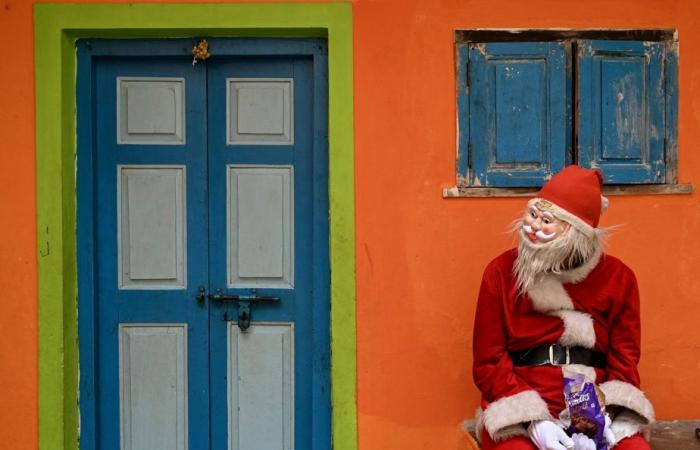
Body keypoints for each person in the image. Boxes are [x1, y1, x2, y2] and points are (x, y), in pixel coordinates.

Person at [472, 166, 655, 450]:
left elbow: (625, 360)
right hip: (520, 403)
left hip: (595, 403)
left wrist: (602, 418)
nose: (533, 226)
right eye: (533, 214)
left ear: (578, 233)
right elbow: (488, 361)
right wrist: (535, 422)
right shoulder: (499, 272)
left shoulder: (619, 278)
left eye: (547, 220)